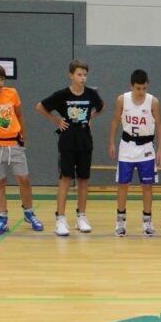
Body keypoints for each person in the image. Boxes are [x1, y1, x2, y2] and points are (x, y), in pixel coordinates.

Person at [36, 59, 104, 237]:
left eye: (85, 75)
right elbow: (40, 107)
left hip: (85, 140)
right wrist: (57, 120)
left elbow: (101, 107)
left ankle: (81, 216)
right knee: (66, 178)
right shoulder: (62, 95)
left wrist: (91, 118)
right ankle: (60, 218)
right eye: (79, 74)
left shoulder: (91, 94)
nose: (83, 78)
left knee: (83, 179)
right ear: (71, 75)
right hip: (68, 140)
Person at [0, 64, 44, 235]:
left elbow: (19, 115)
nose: (1, 83)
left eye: (2, 79)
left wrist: (24, 136)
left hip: (14, 143)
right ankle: (2, 218)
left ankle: (29, 212)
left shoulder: (12, 93)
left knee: (24, 179)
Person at [108, 69, 161, 237]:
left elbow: (159, 124)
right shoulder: (122, 100)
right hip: (127, 147)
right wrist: (112, 142)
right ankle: (120, 221)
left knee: (147, 186)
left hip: (146, 148)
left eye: (144, 88)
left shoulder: (153, 101)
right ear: (131, 86)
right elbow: (115, 120)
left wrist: (160, 148)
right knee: (123, 184)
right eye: (138, 88)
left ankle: (147, 222)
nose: (141, 91)